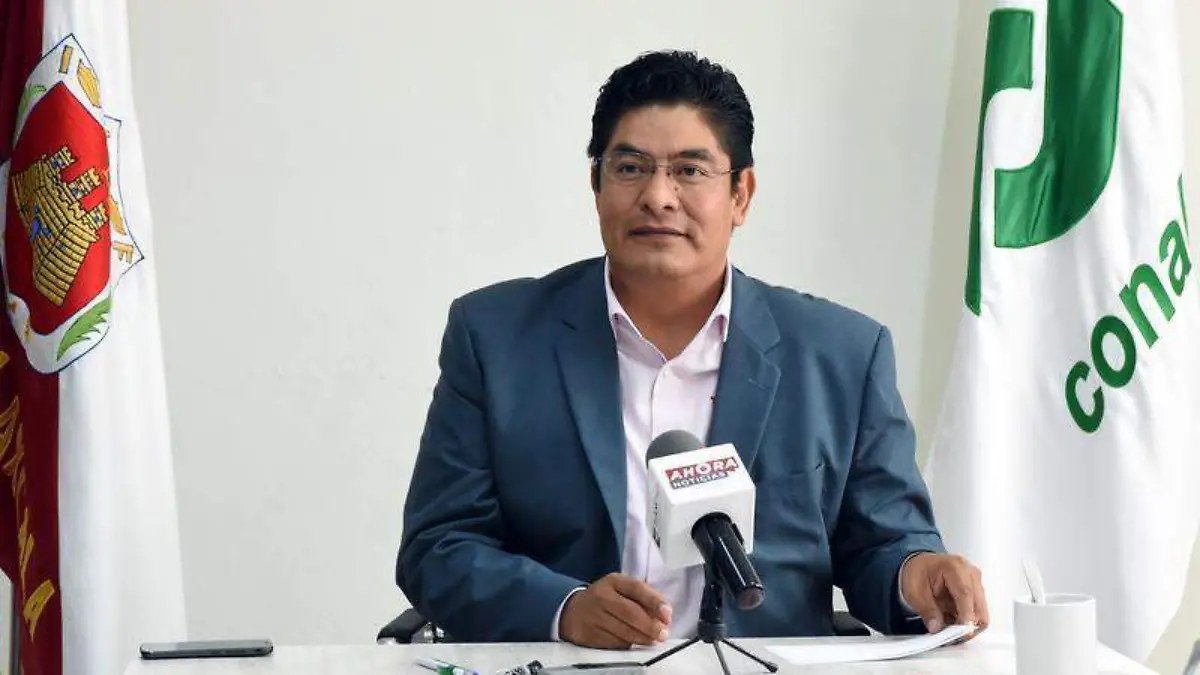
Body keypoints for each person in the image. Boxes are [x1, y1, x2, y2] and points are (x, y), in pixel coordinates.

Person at [396, 49, 989, 649]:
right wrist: (564, 610)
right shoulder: (496, 337)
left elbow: (883, 544)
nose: (658, 196)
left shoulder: (841, 356)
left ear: (741, 194)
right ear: (596, 186)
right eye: (630, 168)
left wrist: (916, 575)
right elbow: (438, 547)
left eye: (690, 170)